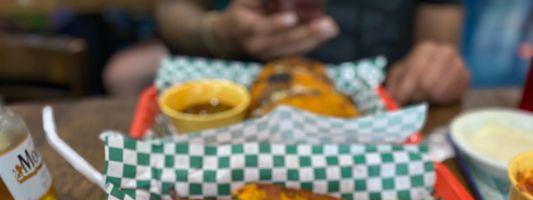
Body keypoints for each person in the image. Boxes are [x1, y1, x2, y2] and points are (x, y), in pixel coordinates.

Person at [154, 0, 470, 105]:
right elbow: (172, 10)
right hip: (237, 97)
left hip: (383, 106)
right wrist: (219, 33)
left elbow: (440, 38)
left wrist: (438, 64)